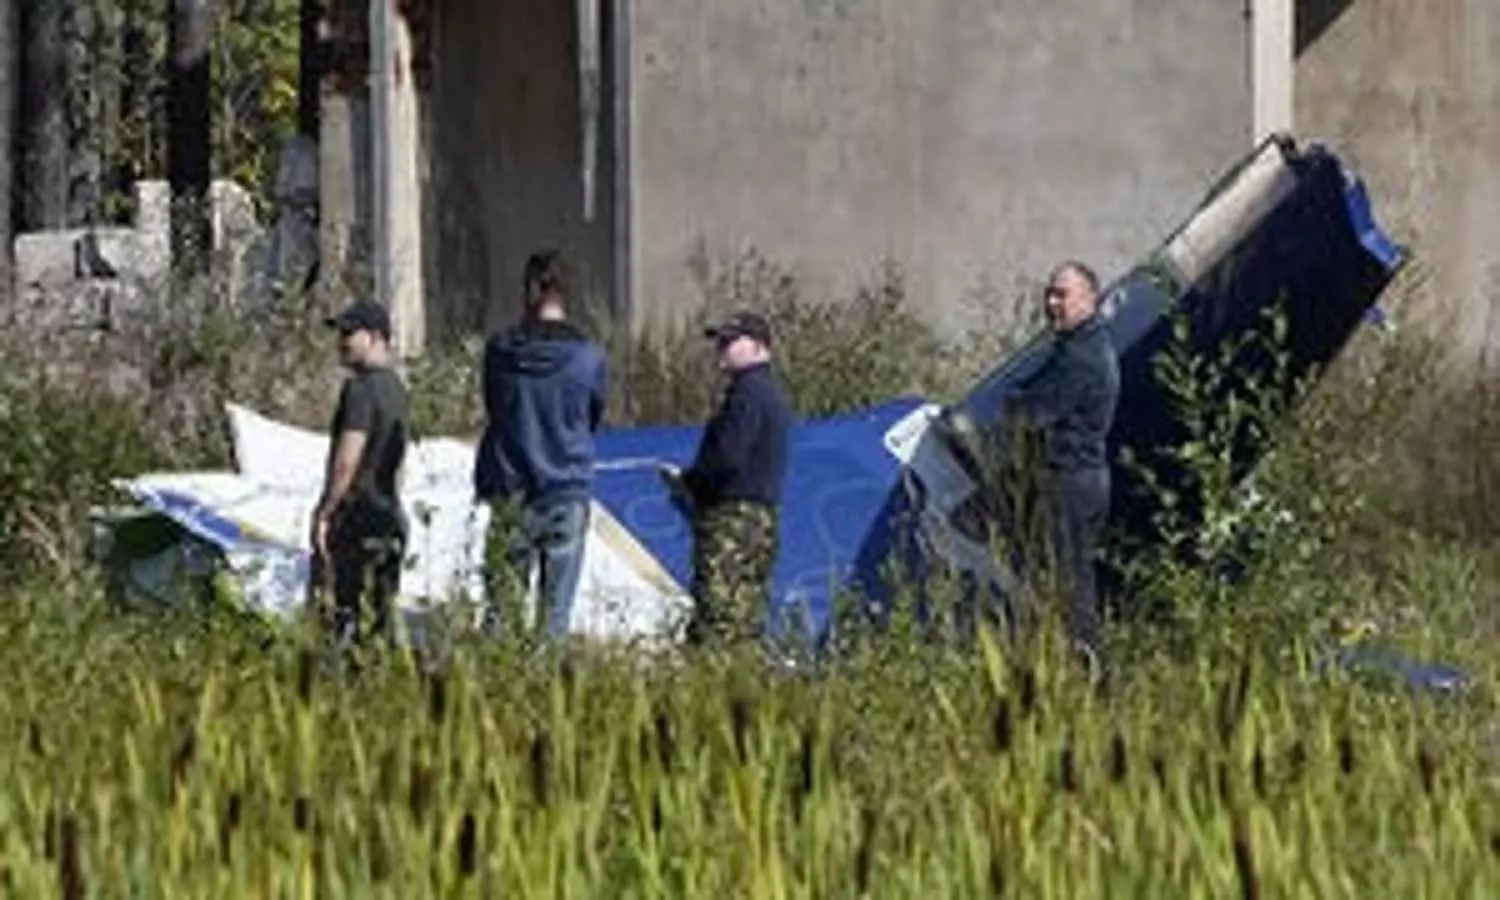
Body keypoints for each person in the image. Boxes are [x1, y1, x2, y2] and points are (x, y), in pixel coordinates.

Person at [473, 249, 610, 641]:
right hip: (566, 486)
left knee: (501, 616)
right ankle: (545, 676)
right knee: (554, 620)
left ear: (528, 289)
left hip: (511, 486)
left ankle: (499, 676)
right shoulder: (589, 358)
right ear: (568, 293)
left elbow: (494, 406)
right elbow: (591, 416)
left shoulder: (501, 352)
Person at [1002, 260, 1120, 680]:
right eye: (1049, 294)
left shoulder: (1080, 357)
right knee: (1066, 581)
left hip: (1072, 482)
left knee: (1071, 588)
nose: (1052, 303)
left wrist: (1008, 403)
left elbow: (1032, 412)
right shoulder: (1079, 346)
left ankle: (1094, 677)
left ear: (1090, 299)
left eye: (1062, 295)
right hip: (1080, 479)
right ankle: (1073, 672)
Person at [661, 311, 795, 647]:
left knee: (718, 618)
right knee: (746, 618)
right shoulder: (771, 394)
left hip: (732, 519)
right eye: (720, 340)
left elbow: (728, 457)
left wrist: (691, 482)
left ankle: (713, 675)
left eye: (732, 340)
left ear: (759, 346)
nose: (722, 347)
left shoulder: (746, 394)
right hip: (762, 518)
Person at [310, 298, 411, 649]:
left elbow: (347, 460)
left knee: (344, 621)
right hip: (389, 515)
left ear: (375, 337)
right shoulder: (398, 389)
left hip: (357, 518)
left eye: (350, 333)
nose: (342, 341)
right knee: (380, 623)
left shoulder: (361, 390)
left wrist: (326, 511)